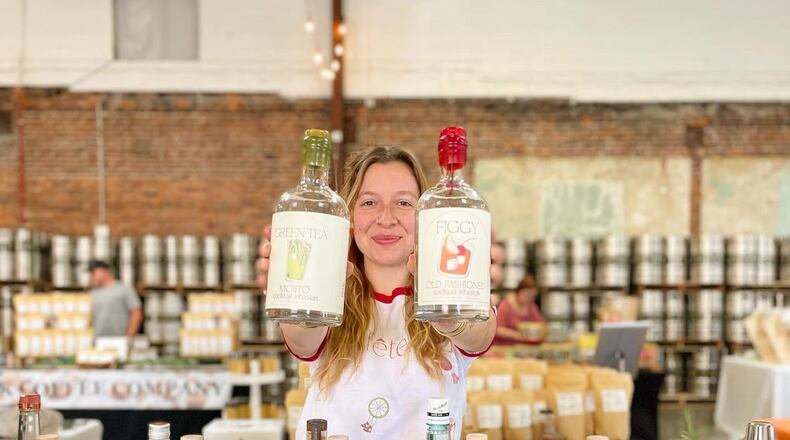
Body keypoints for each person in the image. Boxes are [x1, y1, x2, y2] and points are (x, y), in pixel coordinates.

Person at [257, 147, 497, 439]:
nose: (386, 218)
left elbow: (479, 335)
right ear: (349, 216)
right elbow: (303, 341)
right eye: (369, 202)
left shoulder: (451, 290)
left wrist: (451, 320)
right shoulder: (329, 295)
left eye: (404, 203)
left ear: (426, 216)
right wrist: (299, 296)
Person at [87, 259, 143, 339]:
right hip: (97, 340)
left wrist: (129, 337)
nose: (91, 276)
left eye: (93, 272)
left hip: (119, 340)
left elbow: (136, 314)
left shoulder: (124, 289)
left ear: (105, 271)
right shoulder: (92, 293)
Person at [494, 274, 545, 345]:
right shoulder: (506, 305)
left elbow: (541, 324)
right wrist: (517, 335)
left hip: (523, 348)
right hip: (505, 348)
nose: (529, 299)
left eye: (532, 296)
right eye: (527, 295)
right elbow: (497, 330)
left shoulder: (531, 305)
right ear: (519, 291)